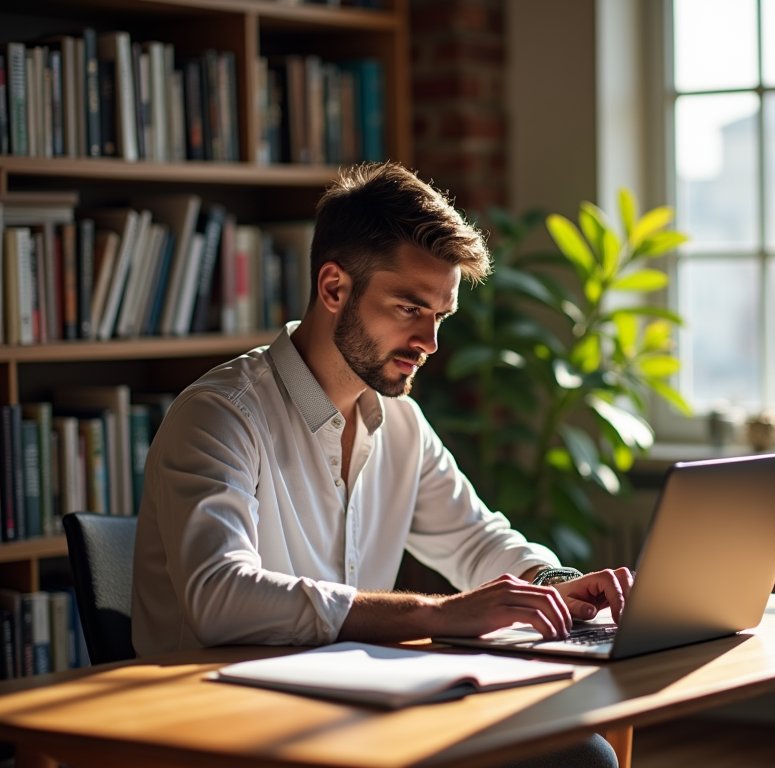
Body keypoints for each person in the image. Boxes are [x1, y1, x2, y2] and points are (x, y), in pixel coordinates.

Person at [132, 162, 631, 767]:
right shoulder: (220, 415)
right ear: (334, 287)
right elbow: (220, 596)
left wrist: (557, 588)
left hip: (353, 715)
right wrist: (439, 613)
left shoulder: (400, 425)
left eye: (440, 317)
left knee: (578, 752)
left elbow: (476, 540)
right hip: (221, 730)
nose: (431, 343)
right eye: (408, 309)